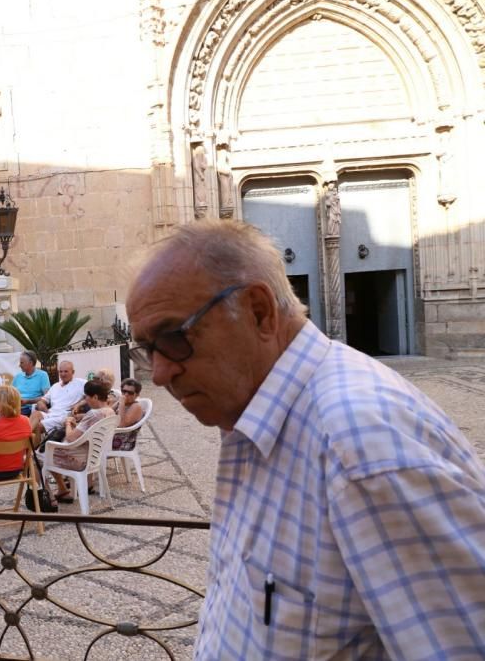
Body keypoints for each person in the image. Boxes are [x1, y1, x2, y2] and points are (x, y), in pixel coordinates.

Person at [125, 219, 485, 659]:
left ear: (258, 311)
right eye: (147, 349)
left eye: (174, 338)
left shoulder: (360, 444)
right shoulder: (259, 418)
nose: (160, 374)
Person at [46, 380, 114, 502]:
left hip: (80, 459)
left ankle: (52, 496)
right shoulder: (111, 412)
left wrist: (68, 423)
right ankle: (64, 489)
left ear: (95, 397)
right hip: (95, 457)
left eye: (86, 396)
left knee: (39, 457)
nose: (85, 400)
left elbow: (70, 438)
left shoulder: (93, 414)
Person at [29, 360, 85, 445]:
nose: (63, 374)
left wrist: (78, 404)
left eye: (66, 371)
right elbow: (43, 400)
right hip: (51, 413)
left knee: (38, 426)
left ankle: (31, 448)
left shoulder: (81, 383)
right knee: (36, 414)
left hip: (64, 416)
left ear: (73, 372)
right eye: (61, 371)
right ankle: (25, 435)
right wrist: (41, 404)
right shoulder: (55, 386)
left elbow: (92, 395)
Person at [10, 351, 50, 415]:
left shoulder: (42, 375)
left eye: (22, 363)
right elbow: (10, 394)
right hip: (16, 407)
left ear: (30, 363)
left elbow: (47, 396)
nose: (19, 365)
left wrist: (28, 401)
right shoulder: (18, 376)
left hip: (32, 408)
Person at [112, 378, 144, 451]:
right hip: (113, 435)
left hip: (121, 442)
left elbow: (122, 424)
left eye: (130, 393)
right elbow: (107, 413)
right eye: (124, 391)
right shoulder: (123, 403)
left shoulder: (136, 406)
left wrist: (122, 404)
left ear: (137, 395)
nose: (126, 395)